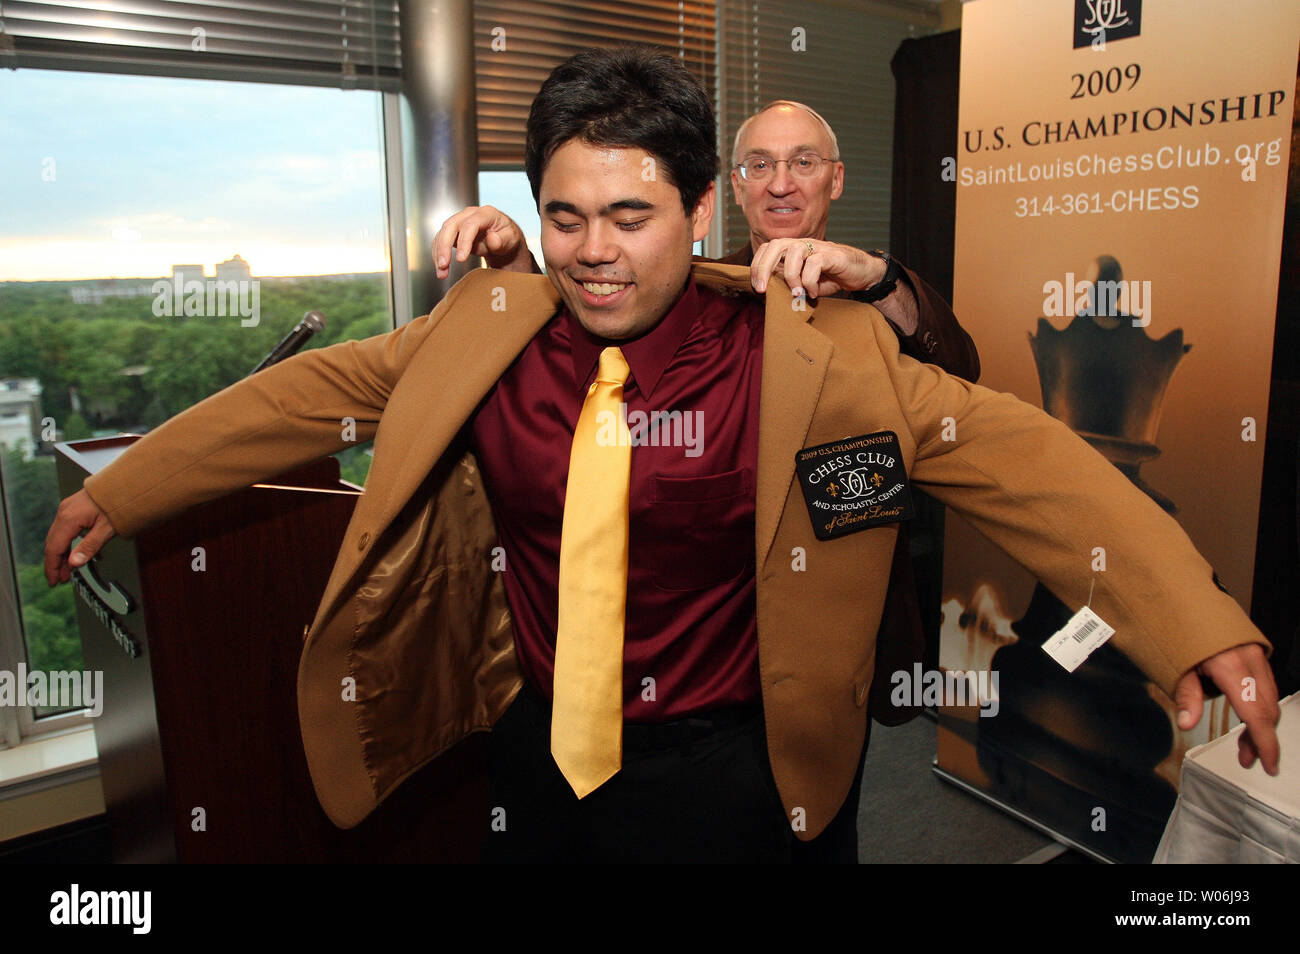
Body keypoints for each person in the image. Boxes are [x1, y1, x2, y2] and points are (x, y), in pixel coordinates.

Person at [46, 46, 1279, 864]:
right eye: (565, 215)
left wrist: (1192, 620)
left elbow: (1026, 462)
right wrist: (123, 486)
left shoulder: (813, 350)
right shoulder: (490, 330)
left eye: (630, 217)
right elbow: (312, 395)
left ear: (700, 212)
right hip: (542, 756)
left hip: (745, 769)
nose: (592, 250)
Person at [432, 98, 978, 862]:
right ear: (725, 192)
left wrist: (880, 279)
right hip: (690, 663)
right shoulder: (686, 281)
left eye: (803, 163)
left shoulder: (870, 296)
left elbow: (961, 384)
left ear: (838, 180)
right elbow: (576, 371)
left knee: (815, 819)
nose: (781, 184)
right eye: (759, 164)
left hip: (826, 636)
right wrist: (519, 274)